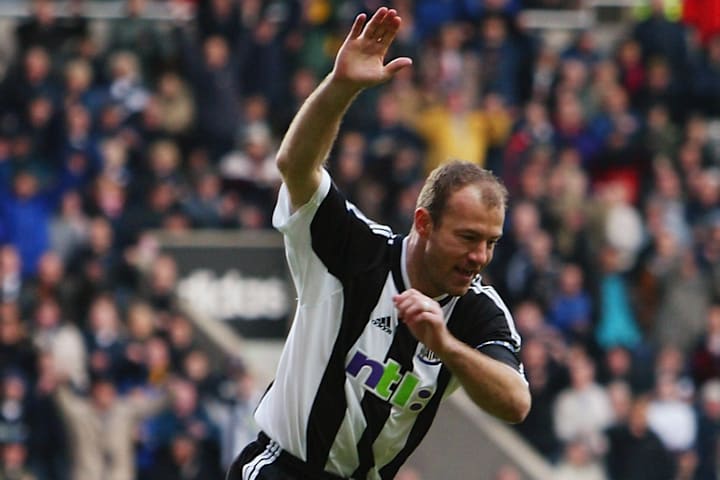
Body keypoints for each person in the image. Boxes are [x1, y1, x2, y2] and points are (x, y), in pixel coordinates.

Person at [226, 7, 530, 480]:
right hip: (284, 470)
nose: (480, 258)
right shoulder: (356, 250)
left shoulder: (476, 310)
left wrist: (445, 345)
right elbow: (296, 167)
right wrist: (340, 87)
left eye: (491, 242)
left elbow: (516, 402)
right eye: (468, 238)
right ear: (424, 223)